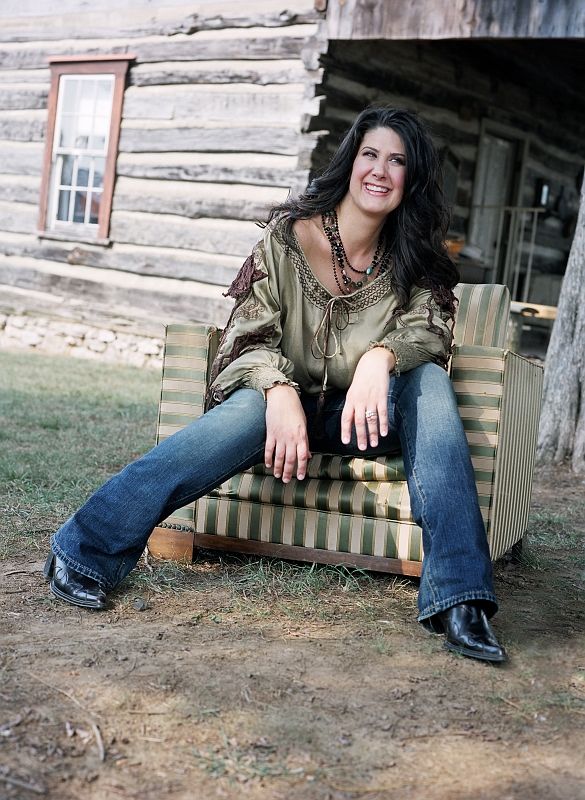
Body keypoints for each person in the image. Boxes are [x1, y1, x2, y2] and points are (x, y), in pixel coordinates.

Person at [45, 107, 506, 664]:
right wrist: (279, 391)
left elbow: (429, 332)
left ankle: (461, 600)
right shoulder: (287, 238)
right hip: (281, 411)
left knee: (428, 382)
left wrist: (380, 358)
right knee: (246, 411)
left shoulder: (414, 255)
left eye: (397, 161)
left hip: (367, 418)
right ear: (350, 162)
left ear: (412, 178)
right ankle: (83, 549)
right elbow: (248, 335)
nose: (380, 171)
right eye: (370, 154)